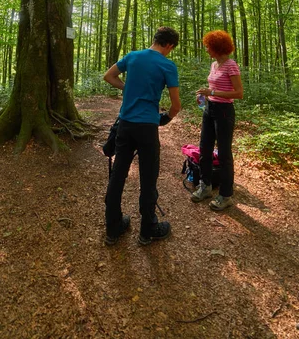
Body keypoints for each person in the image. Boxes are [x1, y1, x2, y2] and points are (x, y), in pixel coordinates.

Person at [103, 26, 181, 246]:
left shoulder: (133, 56)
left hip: (125, 125)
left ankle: (113, 227)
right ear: (169, 45)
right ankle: (147, 230)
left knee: (118, 175)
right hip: (147, 127)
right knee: (148, 179)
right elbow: (176, 105)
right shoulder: (167, 65)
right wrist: (165, 118)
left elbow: (108, 76)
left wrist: (127, 89)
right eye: (171, 49)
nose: (169, 52)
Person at [191, 30, 243, 210]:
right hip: (209, 108)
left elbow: (239, 93)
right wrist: (204, 95)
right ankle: (205, 186)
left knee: (223, 154)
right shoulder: (214, 65)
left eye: (208, 46)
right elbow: (213, 88)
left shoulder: (231, 65)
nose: (206, 49)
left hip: (224, 112)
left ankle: (226, 195)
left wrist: (212, 92)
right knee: (204, 148)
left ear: (217, 47)